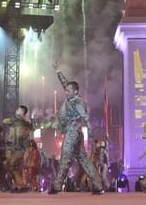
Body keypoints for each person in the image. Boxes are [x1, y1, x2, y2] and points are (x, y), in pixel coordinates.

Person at [47, 61, 105, 195]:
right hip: (76, 133)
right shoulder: (71, 99)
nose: (66, 92)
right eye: (66, 90)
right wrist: (57, 71)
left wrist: (91, 136)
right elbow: (65, 83)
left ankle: (57, 187)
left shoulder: (78, 102)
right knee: (84, 161)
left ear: (75, 91)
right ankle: (98, 186)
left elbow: (86, 118)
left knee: (65, 158)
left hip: (73, 133)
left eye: (68, 91)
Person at [3, 105, 35, 191]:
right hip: (16, 148)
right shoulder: (20, 121)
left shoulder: (20, 121)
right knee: (10, 166)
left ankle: (21, 185)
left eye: (18, 110)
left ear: (21, 112)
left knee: (12, 165)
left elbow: (5, 121)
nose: (16, 110)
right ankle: (19, 185)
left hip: (20, 148)